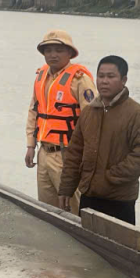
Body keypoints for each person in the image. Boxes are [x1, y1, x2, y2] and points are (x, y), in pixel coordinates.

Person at [57, 55, 140, 226]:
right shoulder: (88, 113)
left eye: (111, 76)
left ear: (123, 80)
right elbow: (75, 153)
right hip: (89, 195)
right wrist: (66, 188)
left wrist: (111, 177)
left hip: (119, 198)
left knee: (119, 242)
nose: (104, 81)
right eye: (101, 76)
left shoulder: (138, 114)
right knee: (85, 240)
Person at [25, 30, 97, 208]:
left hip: (68, 154)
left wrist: (86, 157)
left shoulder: (80, 80)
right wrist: (30, 145)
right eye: (48, 50)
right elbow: (34, 111)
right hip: (44, 151)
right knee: (46, 207)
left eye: (59, 50)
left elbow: (92, 119)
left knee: (72, 206)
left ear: (70, 53)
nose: (53, 55)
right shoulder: (41, 76)